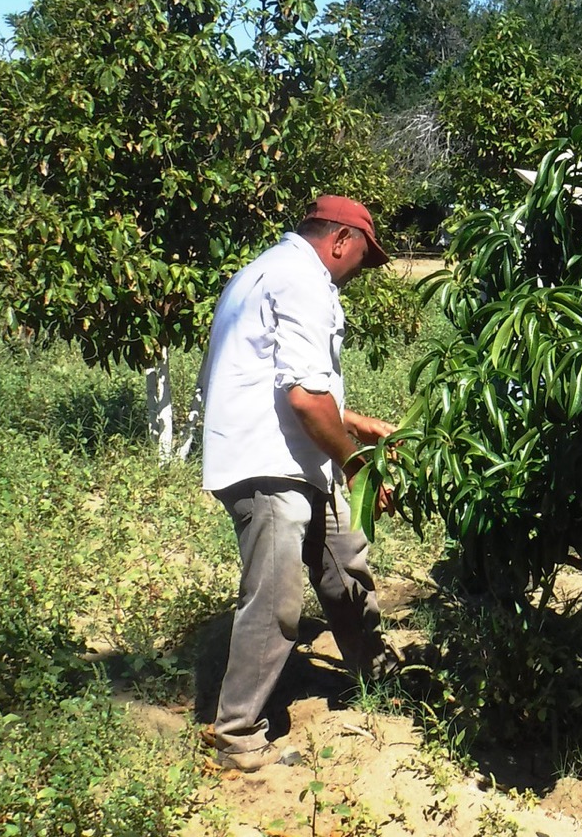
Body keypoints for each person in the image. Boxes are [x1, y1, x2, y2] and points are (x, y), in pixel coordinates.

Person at [199, 195, 398, 771]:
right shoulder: (302, 281)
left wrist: (356, 424)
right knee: (277, 597)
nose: (361, 268)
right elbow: (305, 399)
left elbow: (287, 380)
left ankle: (377, 674)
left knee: (344, 559)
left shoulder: (266, 271)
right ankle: (237, 733)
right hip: (270, 464)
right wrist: (358, 462)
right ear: (340, 240)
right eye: (363, 254)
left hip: (293, 454)